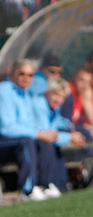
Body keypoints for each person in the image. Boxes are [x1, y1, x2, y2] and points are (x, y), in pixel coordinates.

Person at [0, 59, 66, 200]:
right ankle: (28, 190)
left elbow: (31, 126)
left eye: (30, 75)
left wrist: (44, 134)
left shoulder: (25, 94)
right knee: (27, 141)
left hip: (15, 141)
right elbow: (6, 128)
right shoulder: (4, 90)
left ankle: (45, 185)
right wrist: (38, 133)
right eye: (22, 73)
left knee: (42, 140)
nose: (26, 78)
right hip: (4, 141)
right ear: (13, 73)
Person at [32, 76, 87, 193]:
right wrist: (70, 137)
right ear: (47, 93)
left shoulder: (52, 107)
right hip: (30, 140)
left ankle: (58, 184)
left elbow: (55, 125)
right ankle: (44, 185)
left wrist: (71, 132)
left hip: (40, 139)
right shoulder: (39, 104)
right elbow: (47, 134)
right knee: (47, 145)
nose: (59, 100)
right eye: (56, 95)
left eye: (62, 97)